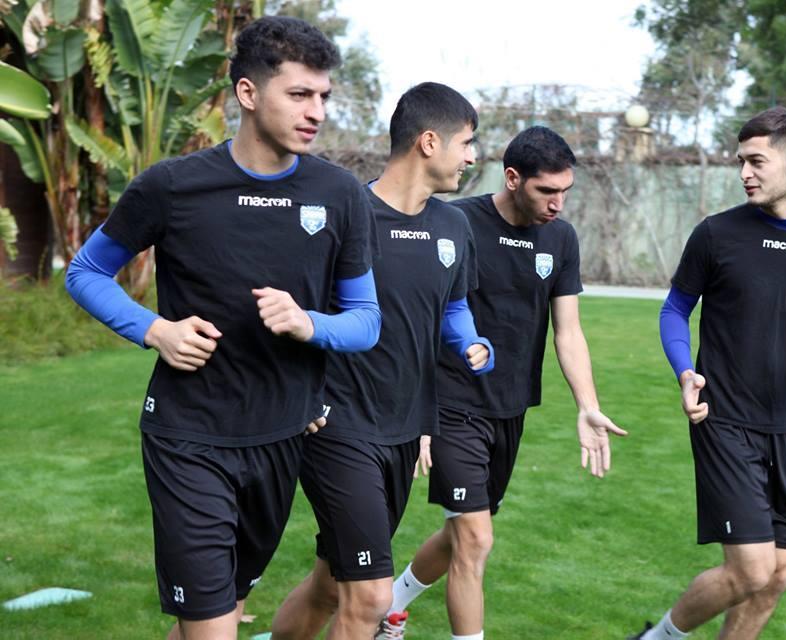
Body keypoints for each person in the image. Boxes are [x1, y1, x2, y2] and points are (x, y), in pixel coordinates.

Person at [65, 16, 381, 640]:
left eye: (323, 96)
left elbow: (366, 321)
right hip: (188, 436)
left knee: (217, 612)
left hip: (282, 437)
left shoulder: (341, 194)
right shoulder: (172, 186)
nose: (316, 111)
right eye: (299, 94)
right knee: (213, 626)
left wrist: (309, 323)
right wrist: (155, 330)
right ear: (247, 93)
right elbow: (86, 271)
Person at [631, 106, 786, 640]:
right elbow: (675, 309)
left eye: (755, 161)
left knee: (778, 575)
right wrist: (685, 371)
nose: (744, 173)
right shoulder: (717, 233)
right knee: (751, 569)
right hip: (723, 420)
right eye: (740, 162)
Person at [382, 125, 627, 640]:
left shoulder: (561, 238)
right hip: (451, 404)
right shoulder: (457, 223)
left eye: (566, 191)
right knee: (475, 539)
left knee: (463, 533)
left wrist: (587, 404)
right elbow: (424, 319)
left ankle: (391, 604)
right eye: (547, 191)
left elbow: (568, 330)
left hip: (510, 409)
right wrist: (418, 411)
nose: (558, 203)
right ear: (513, 178)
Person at [269, 81, 494, 640]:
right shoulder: (346, 215)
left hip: (404, 429)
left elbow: (454, 306)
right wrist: (305, 397)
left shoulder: (454, 227)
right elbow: (294, 313)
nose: (472, 157)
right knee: (371, 595)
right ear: (428, 142)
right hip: (338, 426)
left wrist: (471, 341)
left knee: (331, 584)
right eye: (466, 143)